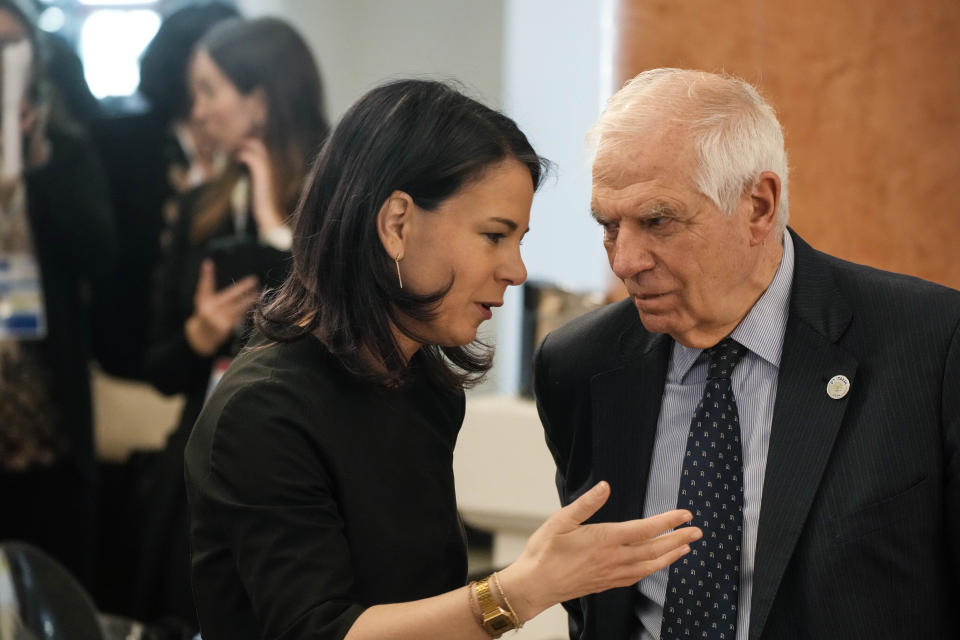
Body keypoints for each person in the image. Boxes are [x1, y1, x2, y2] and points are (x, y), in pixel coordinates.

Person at [184, 79, 703, 640]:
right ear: (397, 223)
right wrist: (520, 591)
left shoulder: (423, 387)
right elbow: (318, 630)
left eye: (519, 240)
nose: (516, 269)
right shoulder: (265, 410)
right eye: (494, 236)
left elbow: (418, 596)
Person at [533, 67, 960, 639]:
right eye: (610, 226)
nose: (625, 260)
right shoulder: (579, 364)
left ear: (758, 206)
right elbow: (593, 603)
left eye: (657, 221)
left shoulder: (931, 344)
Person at [139, 16, 329, 630]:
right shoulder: (200, 205)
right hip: (200, 453)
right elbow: (161, 366)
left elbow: (348, 321)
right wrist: (197, 336)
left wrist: (279, 230)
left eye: (209, 91)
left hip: (306, 462)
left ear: (259, 99)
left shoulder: (337, 197)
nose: (198, 111)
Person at [0, 0, 115, 592]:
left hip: (50, 420)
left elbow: (100, 254)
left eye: (13, 49)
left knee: (52, 591)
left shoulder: (64, 150)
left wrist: (34, 166)